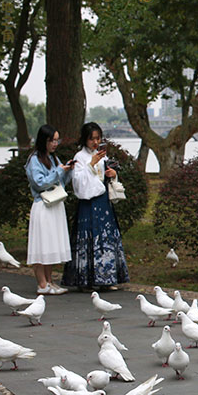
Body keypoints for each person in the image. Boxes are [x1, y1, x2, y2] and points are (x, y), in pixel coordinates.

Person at [62, 123, 130, 291]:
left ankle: (107, 277)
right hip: (88, 202)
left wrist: (112, 174)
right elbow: (77, 182)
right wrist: (91, 165)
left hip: (103, 200)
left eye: (98, 138)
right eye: (92, 138)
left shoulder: (101, 156)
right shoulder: (80, 156)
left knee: (105, 237)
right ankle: (86, 279)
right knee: (89, 238)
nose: (95, 142)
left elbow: (105, 175)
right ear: (85, 139)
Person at [25, 124, 73, 295]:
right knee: (40, 244)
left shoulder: (52, 158)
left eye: (56, 140)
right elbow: (40, 183)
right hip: (43, 205)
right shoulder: (34, 160)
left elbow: (60, 182)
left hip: (54, 204)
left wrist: (67, 170)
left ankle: (50, 281)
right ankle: (42, 283)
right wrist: (59, 171)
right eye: (52, 140)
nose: (55, 143)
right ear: (43, 140)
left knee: (50, 244)